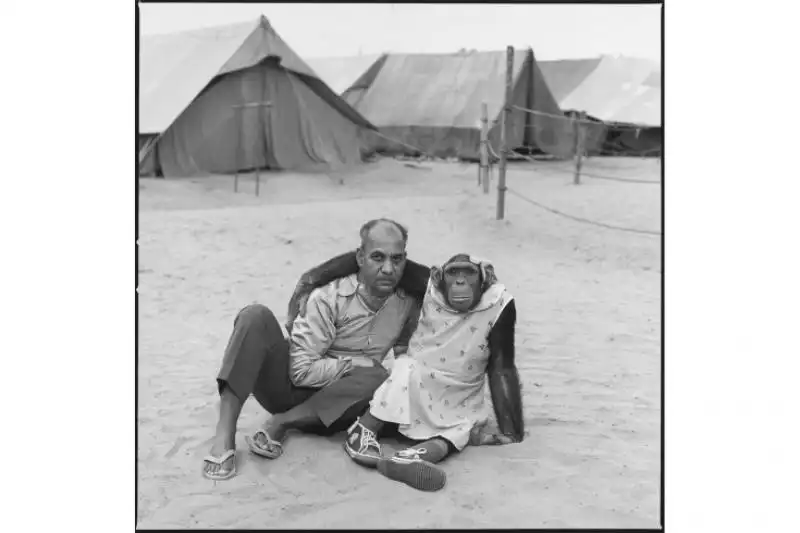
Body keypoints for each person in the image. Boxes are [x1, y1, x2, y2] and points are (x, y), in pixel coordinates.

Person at [202, 218, 420, 481]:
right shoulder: (327, 297)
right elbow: (300, 372)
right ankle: (224, 434)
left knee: (380, 375)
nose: (388, 268)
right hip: (290, 391)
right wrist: (351, 365)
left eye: (396, 260)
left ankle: (282, 423)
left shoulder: (408, 302)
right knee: (254, 316)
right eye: (377, 257)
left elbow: (406, 354)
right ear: (360, 258)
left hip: (345, 404)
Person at [289, 253, 524, 492]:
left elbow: (502, 366)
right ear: (440, 278)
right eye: (454, 273)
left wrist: (512, 431)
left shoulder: (498, 303)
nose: (460, 282)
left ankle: (409, 458)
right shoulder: (430, 286)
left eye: (468, 274)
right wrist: (310, 280)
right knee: (403, 369)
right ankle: (363, 431)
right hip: (416, 378)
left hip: (459, 392)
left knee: (461, 428)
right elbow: (366, 257)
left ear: (484, 279)